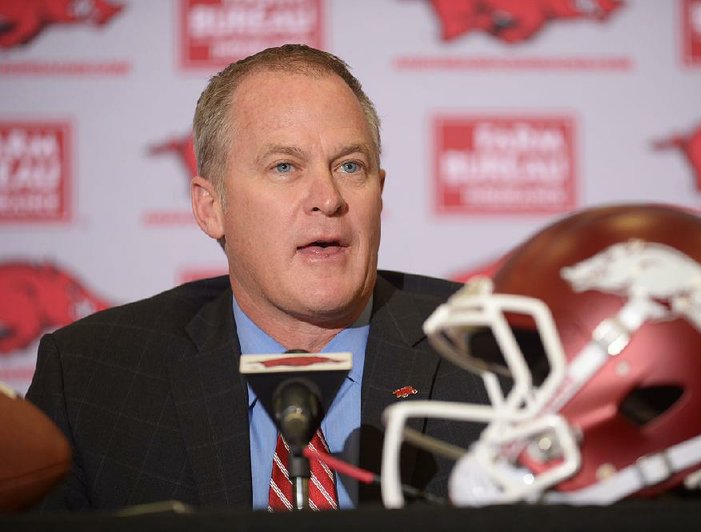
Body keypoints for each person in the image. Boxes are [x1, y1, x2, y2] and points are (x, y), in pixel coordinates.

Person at [25, 44, 489, 512]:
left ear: (380, 193)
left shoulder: (492, 357)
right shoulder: (92, 378)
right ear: (211, 208)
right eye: (284, 167)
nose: (328, 198)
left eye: (350, 166)